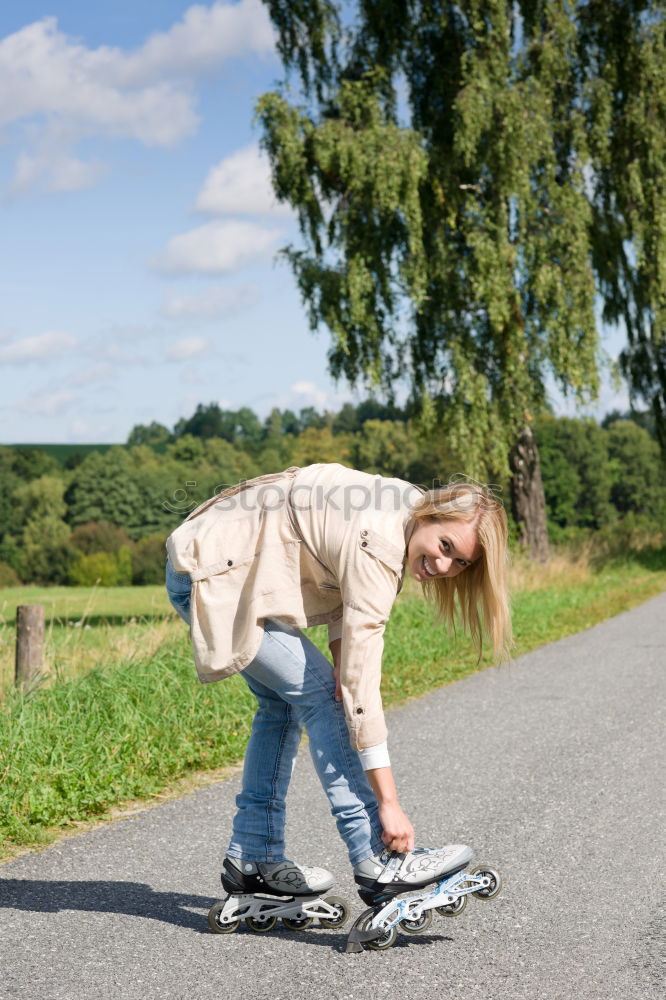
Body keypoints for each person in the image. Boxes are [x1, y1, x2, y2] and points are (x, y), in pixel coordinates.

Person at [165, 462, 511, 913]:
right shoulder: (382, 543)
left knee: (288, 705)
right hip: (214, 575)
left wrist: (342, 657)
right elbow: (360, 688)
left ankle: (254, 858)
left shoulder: (401, 506)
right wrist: (389, 804)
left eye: (460, 562)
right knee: (324, 701)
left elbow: (331, 567)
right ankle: (376, 858)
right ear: (430, 515)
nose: (443, 565)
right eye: (445, 545)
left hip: (217, 564)